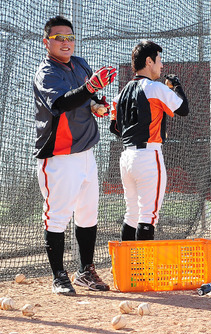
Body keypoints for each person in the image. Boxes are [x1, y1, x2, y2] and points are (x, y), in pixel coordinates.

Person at [34, 15, 117, 295]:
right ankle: (59, 276)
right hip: (59, 156)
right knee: (57, 217)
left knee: (88, 214)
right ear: (46, 42)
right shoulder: (46, 72)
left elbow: (86, 97)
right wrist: (91, 88)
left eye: (70, 37)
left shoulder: (80, 64)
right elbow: (60, 103)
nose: (66, 42)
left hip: (85, 153)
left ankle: (84, 271)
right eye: (59, 38)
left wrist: (97, 104)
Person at [110, 40, 189, 241]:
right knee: (148, 216)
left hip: (127, 157)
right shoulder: (154, 87)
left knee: (131, 214)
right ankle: (142, 263)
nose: (161, 65)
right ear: (149, 61)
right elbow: (183, 109)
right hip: (148, 156)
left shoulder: (121, 94)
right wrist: (176, 85)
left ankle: (127, 261)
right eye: (159, 60)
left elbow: (114, 128)